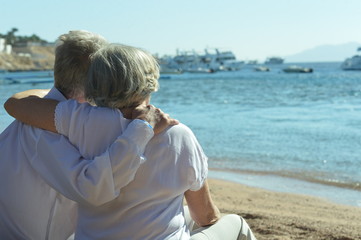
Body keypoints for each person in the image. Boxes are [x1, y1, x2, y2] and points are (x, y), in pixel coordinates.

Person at [5, 43, 257, 239]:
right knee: (235, 224)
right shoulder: (178, 135)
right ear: (149, 83)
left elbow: (18, 104)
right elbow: (206, 217)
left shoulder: (78, 122)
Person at [0, 31, 177, 240]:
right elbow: (93, 190)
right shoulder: (48, 128)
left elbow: (18, 101)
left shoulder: (37, 113)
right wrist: (143, 127)